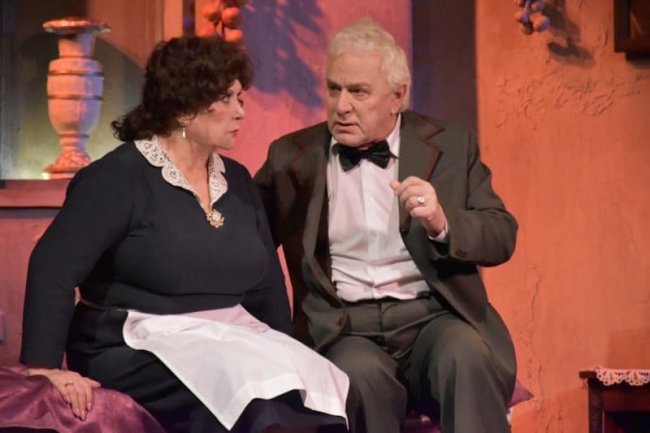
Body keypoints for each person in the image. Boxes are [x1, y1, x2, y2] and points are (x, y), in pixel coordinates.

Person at [19, 35, 348, 433]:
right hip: (132, 340)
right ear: (184, 108)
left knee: (316, 391)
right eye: (227, 99)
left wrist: (284, 351)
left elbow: (266, 287)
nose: (240, 111)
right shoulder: (117, 178)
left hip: (227, 335)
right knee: (256, 404)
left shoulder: (237, 180)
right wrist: (44, 368)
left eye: (240, 98)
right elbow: (52, 268)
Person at [255, 19, 518, 433]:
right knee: (358, 377)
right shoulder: (291, 156)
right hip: (346, 329)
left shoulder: (450, 145)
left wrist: (442, 222)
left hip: (433, 319)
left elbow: (501, 234)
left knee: (466, 355)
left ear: (398, 96)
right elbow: (246, 241)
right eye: (334, 89)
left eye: (358, 91)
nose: (342, 105)